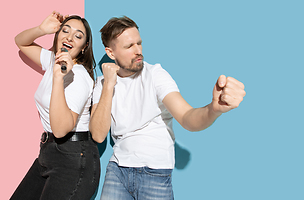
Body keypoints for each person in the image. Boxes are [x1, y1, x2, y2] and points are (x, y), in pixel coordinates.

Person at [89, 16, 246, 200]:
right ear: (111, 52)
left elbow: (187, 116)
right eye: (129, 46)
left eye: (139, 43)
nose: (138, 51)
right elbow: (98, 135)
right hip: (117, 171)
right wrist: (109, 84)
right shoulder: (101, 84)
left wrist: (213, 109)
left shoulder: (155, 75)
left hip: (154, 171)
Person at [10, 11, 100, 200]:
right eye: (65, 31)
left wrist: (59, 78)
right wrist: (41, 29)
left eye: (78, 36)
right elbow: (20, 41)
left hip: (74, 158)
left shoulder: (80, 78)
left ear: (84, 47)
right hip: (49, 153)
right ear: (57, 35)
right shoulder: (52, 59)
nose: (69, 37)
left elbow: (60, 130)